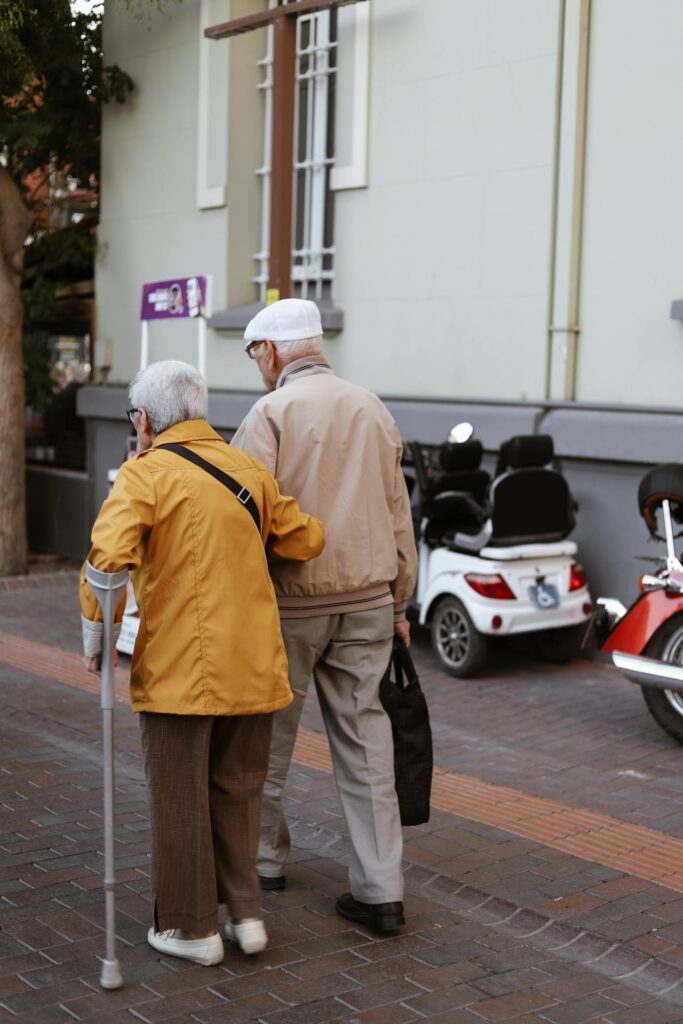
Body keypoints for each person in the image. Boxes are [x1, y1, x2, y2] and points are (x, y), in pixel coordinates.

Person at [80, 359, 324, 966]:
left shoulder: (144, 475)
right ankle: (245, 916)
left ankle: (191, 930)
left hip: (180, 670)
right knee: (239, 790)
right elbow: (305, 538)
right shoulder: (249, 469)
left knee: (179, 795)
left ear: (143, 419)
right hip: (257, 665)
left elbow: (106, 562)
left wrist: (96, 637)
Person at [232, 299, 418, 933]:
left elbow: (245, 517)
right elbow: (399, 514)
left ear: (273, 352)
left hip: (291, 604)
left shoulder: (269, 414)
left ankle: (261, 864)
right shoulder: (372, 406)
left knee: (267, 738)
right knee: (369, 745)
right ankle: (381, 890)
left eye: (256, 352)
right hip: (368, 601)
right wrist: (399, 602)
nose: (258, 364)